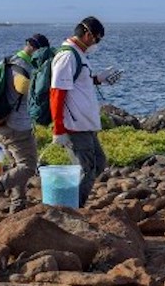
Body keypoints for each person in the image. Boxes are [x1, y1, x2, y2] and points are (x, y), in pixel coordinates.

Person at [0, 33, 51, 213]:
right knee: (28, 167)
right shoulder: (21, 66)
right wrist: (43, 87)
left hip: (0, 123)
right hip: (16, 126)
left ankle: (17, 205)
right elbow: (22, 87)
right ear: (34, 48)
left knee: (17, 166)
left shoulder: (6, 61)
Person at [50, 16, 122, 208]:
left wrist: (98, 79)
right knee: (85, 169)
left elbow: (79, 83)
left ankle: (71, 205)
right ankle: (72, 208)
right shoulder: (67, 56)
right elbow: (57, 92)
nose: (97, 44)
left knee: (98, 163)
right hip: (74, 125)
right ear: (88, 35)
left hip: (85, 124)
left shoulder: (79, 55)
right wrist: (59, 129)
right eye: (97, 39)